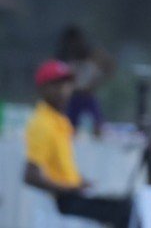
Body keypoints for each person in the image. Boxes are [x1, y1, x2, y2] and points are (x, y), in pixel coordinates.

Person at [23, 59, 134, 228]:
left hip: (71, 195)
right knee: (125, 211)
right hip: (62, 202)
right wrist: (69, 188)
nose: (64, 90)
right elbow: (30, 176)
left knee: (128, 205)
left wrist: (79, 182)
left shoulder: (59, 120)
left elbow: (59, 168)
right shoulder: (42, 123)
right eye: (57, 85)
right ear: (42, 88)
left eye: (67, 85)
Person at [56, 25, 114, 136]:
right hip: (74, 96)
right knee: (70, 128)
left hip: (88, 94)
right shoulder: (64, 56)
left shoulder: (90, 54)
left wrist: (97, 81)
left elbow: (109, 67)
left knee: (98, 125)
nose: (73, 45)